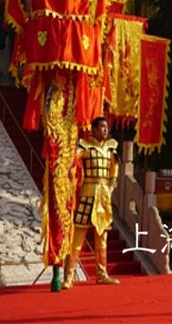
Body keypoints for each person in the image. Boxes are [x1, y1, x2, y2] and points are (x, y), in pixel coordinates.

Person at [64, 117, 120, 288]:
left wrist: (111, 187)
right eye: (101, 127)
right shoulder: (85, 146)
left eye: (106, 127)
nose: (105, 130)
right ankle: (69, 275)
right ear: (94, 129)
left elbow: (114, 171)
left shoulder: (111, 148)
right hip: (88, 193)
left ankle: (102, 274)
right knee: (78, 236)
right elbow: (72, 161)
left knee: (102, 237)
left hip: (103, 196)